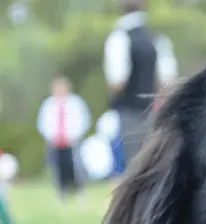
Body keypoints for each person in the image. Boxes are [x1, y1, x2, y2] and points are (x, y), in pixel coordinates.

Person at [103, 0, 178, 170]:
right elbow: (167, 80)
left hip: (129, 108)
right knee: (153, 160)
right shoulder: (157, 38)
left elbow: (117, 81)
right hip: (153, 109)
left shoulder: (119, 38)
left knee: (133, 160)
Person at [37, 77, 92, 202]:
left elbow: (83, 120)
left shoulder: (76, 103)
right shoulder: (48, 104)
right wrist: (51, 136)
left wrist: (74, 135)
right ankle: (62, 190)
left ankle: (79, 189)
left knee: (76, 165)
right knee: (57, 166)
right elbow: (43, 123)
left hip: (72, 141)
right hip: (55, 142)